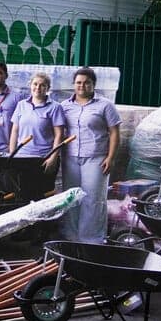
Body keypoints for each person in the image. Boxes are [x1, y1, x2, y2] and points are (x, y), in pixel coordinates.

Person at [60, 67, 122, 243]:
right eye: (79, 83)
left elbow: (115, 133)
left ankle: (91, 239)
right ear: (74, 84)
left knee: (92, 199)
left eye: (87, 83)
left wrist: (110, 157)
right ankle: (71, 237)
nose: (82, 86)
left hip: (96, 158)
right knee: (70, 198)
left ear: (93, 84)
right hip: (70, 158)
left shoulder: (105, 105)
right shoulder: (65, 106)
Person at [8, 72, 66, 197]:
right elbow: (15, 131)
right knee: (22, 196)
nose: (38, 88)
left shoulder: (55, 107)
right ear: (30, 85)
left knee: (41, 197)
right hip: (21, 159)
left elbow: (59, 135)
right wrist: (12, 154)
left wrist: (53, 157)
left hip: (43, 160)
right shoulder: (21, 105)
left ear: (48, 88)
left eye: (42, 85)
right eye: (35, 84)